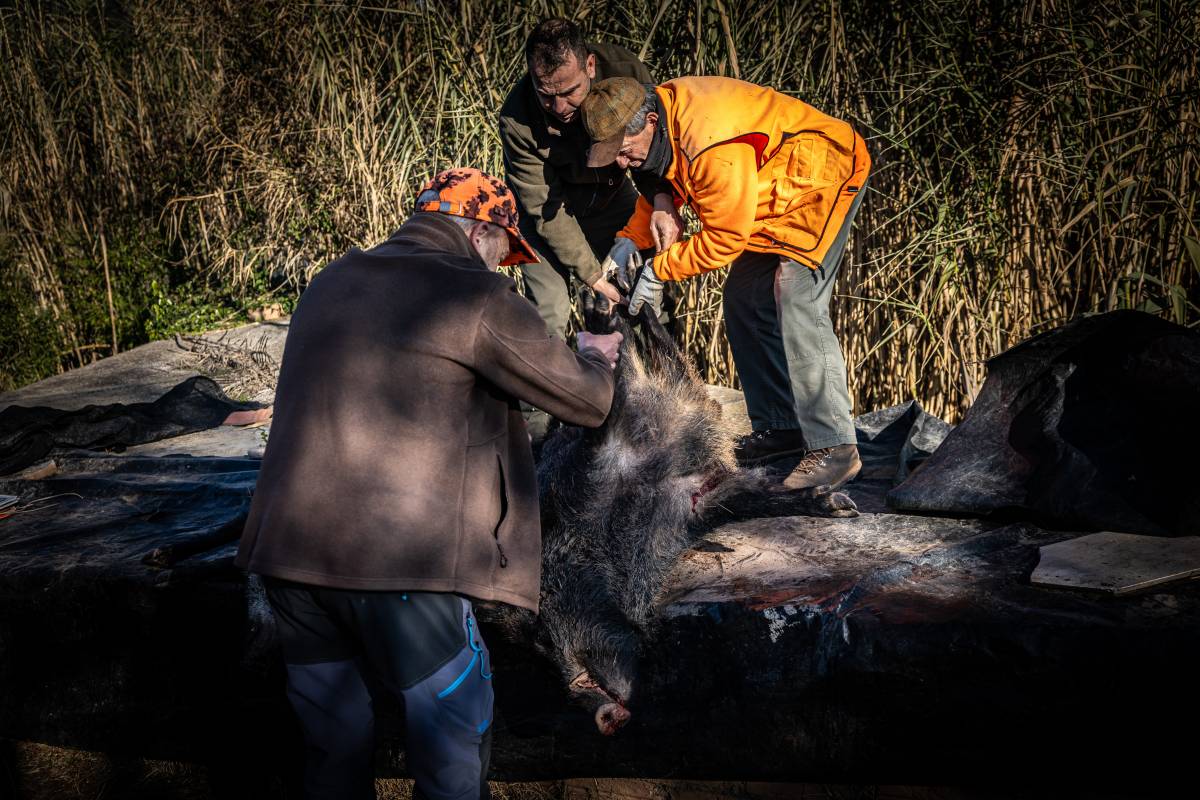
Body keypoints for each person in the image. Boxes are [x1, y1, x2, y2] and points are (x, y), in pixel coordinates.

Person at [235, 167, 622, 800]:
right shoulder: (474, 295)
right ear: (480, 231)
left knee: (333, 748)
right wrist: (597, 354)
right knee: (451, 747)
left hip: (289, 558)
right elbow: (587, 402)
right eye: (505, 251)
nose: (503, 266)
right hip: (403, 569)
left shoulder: (332, 280)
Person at [580, 76, 871, 490]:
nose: (623, 164)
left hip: (820, 180)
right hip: (772, 195)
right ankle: (783, 428)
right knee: (743, 298)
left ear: (648, 122)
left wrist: (660, 271)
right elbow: (672, 185)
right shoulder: (664, 118)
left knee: (796, 295)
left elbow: (725, 240)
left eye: (625, 152)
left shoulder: (710, 142)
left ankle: (835, 448)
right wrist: (631, 239)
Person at [498, 17, 676, 341]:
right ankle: (547, 386)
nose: (560, 107)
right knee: (547, 312)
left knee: (644, 296)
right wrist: (592, 276)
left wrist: (662, 198)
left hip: (610, 193)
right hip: (548, 213)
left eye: (569, 92)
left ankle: (665, 381)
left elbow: (654, 146)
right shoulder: (517, 119)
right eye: (546, 96)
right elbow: (542, 207)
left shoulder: (627, 72)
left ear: (590, 66)